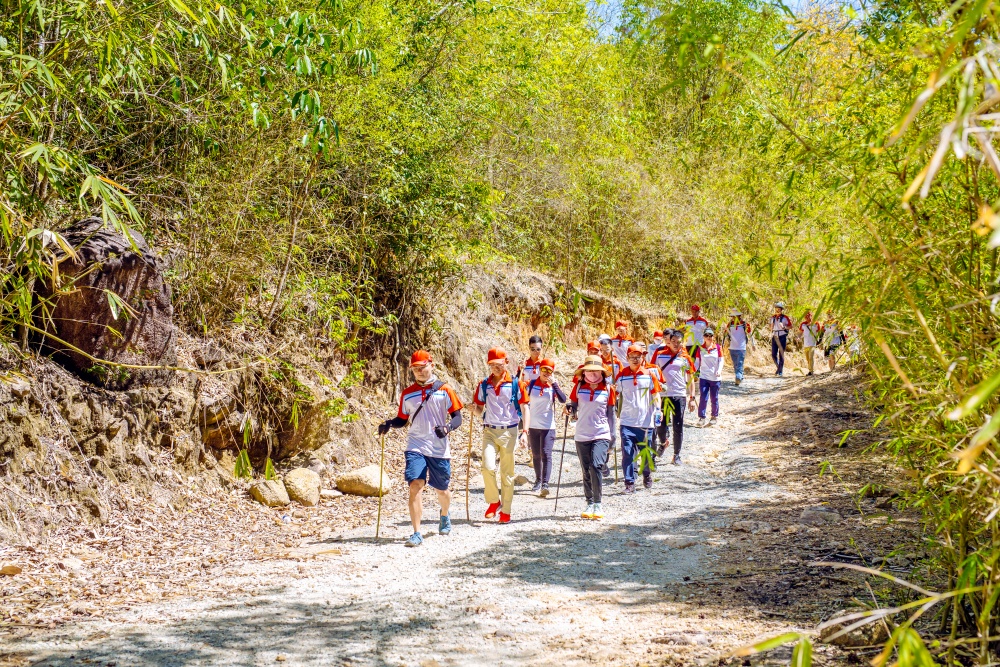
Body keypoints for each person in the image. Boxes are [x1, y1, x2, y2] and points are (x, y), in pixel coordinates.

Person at [377, 351, 463, 547]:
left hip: (439, 448)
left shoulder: (445, 389)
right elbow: (403, 419)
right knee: (415, 485)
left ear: (431, 365)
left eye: (422, 367)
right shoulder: (408, 393)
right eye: (415, 369)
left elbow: (457, 417)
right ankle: (416, 533)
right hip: (415, 445)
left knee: (442, 490)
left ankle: (444, 514)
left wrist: (448, 428)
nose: (419, 372)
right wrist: (390, 423)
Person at [471, 348, 530, 524]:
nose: (496, 368)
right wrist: (474, 410)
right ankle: (494, 501)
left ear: (506, 362)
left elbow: (525, 407)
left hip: (509, 431)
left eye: (499, 364)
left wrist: (525, 432)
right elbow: (480, 408)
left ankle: (506, 510)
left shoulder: (515, 384)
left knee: (507, 473)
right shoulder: (484, 384)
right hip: (489, 430)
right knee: (487, 467)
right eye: (492, 365)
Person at [567, 356, 617, 519]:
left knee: (596, 465)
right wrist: (570, 410)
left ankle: (598, 503)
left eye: (596, 371)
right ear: (584, 372)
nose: (593, 374)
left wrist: (613, 436)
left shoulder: (608, 389)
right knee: (586, 469)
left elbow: (611, 414)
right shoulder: (579, 386)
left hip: (601, 433)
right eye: (589, 371)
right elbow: (573, 404)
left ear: (602, 372)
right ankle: (589, 503)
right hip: (582, 434)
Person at [615, 344, 663, 492]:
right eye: (632, 357)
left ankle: (647, 474)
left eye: (638, 357)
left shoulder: (649, 375)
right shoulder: (622, 375)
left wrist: (658, 410)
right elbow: (615, 393)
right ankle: (629, 483)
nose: (635, 360)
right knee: (627, 453)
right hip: (627, 421)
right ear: (627, 358)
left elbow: (656, 395)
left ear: (643, 358)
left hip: (645, 422)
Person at [651, 330, 696, 465]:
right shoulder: (659, 355)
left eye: (679, 342)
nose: (676, 344)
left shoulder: (685, 357)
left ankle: (676, 455)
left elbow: (691, 377)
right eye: (674, 342)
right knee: (660, 424)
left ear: (683, 343)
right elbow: (652, 372)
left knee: (678, 425)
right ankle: (664, 442)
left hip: (679, 395)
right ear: (668, 341)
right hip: (662, 396)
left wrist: (692, 397)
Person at [526, 359, 567, 497]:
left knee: (546, 453)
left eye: (549, 371)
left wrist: (554, 383)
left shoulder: (553, 387)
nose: (546, 373)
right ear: (539, 370)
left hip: (548, 425)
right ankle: (538, 480)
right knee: (536, 455)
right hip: (533, 425)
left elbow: (563, 399)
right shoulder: (531, 384)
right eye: (544, 370)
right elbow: (523, 401)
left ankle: (545, 483)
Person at [694, 330, 724, 427]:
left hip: (715, 378)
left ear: (713, 337)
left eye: (710, 335)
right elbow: (697, 362)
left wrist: (719, 371)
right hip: (704, 377)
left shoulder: (718, 348)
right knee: (703, 397)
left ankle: (714, 416)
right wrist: (692, 370)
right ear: (703, 337)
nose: (709, 337)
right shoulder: (700, 349)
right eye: (707, 335)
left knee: (714, 398)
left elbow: (721, 361)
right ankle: (702, 417)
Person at [724, 311, 751, 386]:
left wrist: (753, 345)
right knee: (735, 364)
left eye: (735, 316)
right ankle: (740, 376)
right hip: (732, 348)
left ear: (739, 316)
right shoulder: (730, 324)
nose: (734, 318)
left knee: (739, 363)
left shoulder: (744, 324)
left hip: (741, 347)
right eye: (733, 316)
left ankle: (738, 377)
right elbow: (726, 335)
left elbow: (750, 334)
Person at [769, 302, 792, 376]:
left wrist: (784, 327)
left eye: (779, 309)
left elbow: (790, 326)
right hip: (775, 336)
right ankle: (779, 367)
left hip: (782, 336)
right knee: (773, 354)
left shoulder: (785, 318)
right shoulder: (772, 318)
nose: (777, 310)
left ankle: (780, 371)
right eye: (776, 308)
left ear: (781, 310)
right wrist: (771, 328)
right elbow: (770, 327)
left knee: (781, 354)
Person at [798, 311, 821, 376]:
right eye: (806, 316)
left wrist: (819, 340)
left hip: (813, 343)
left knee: (811, 357)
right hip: (806, 343)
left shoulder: (816, 323)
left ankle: (811, 371)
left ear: (812, 316)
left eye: (809, 316)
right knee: (807, 358)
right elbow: (800, 332)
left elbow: (819, 332)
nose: (808, 317)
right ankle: (810, 369)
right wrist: (798, 337)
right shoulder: (803, 324)